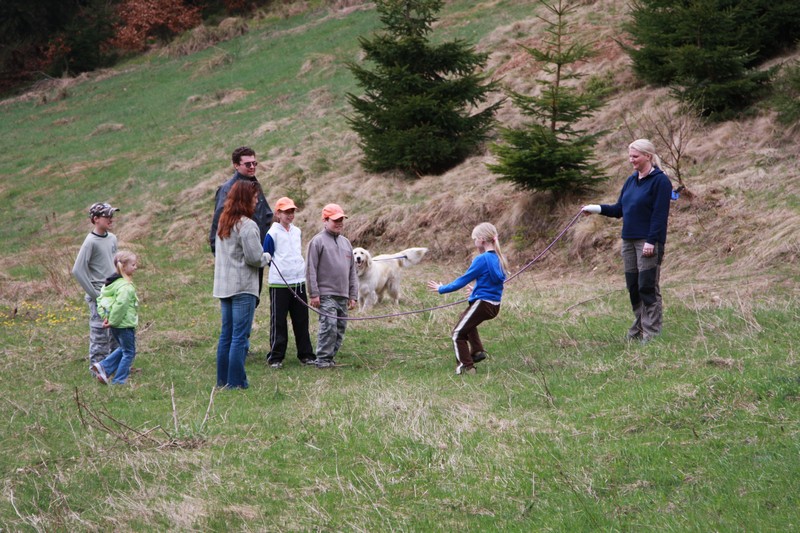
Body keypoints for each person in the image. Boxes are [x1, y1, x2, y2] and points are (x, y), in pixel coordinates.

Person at [582, 138, 672, 342]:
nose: (631, 160)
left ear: (647, 156)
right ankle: (638, 328)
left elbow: (659, 215)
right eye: (630, 156)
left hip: (648, 241)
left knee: (647, 285)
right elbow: (618, 210)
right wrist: (595, 208)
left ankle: (651, 333)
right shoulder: (631, 180)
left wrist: (651, 241)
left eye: (635, 156)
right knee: (633, 286)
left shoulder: (661, 181)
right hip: (628, 241)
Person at [427, 222, 509, 375]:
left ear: (482, 239)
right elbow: (495, 283)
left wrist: (441, 288)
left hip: (483, 304)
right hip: (494, 306)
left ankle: (466, 367)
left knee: (458, 334)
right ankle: (477, 352)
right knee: (464, 318)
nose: (474, 242)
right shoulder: (499, 257)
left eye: (474, 239)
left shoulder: (482, 259)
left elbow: (462, 281)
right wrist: (476, 289)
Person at [213, 180, 272, 389]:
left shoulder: (223, 222)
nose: (257, 201)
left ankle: (223, 381)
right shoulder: (247, 225)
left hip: (224, 286)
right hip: (242, 287)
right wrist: (267, 256)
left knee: (226, 335)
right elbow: (254, 257)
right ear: (246, 199)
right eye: (254, 197)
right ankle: (236, 383)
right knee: (239, 336)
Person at [209, 146, 273, 299]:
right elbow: (218, 224)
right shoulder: (228, 189)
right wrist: (219, 254)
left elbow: (266, 216)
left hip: (256, 251)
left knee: (252, 298)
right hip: (237, 257)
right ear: (236, 165)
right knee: (242, 299)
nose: (252, 167)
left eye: (254, 163)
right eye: (247, 164)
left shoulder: (255, 185)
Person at [262, 197, 315, 369]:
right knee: (279, 321)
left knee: (301, 320)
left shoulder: (297, 231)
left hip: (298, 282)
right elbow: (267, 256)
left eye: (292, 212)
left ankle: (306, 354)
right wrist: (281, 270)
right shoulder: (272, 233)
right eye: (286, 212)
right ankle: (276, 356)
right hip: (279, 285)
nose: (290, 215)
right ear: (278, 214)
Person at [305, 203, 358, 369]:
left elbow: (352, 271)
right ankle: (322, 359)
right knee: (329, 326)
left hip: (343, 295)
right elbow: (310, 269)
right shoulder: (317, 242)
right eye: (335, 220)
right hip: (325, 294)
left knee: (340, 328)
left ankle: (330, 358)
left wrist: (353, 295)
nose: (339, 223)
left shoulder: (346, 243)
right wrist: (314, 293)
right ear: (325, 220)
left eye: (341, 219)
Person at [72, 202, 120, 369]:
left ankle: (114, 368)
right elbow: (77, 270)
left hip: (116, 294)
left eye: (112, 215)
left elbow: (115, 264)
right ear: (96, 219)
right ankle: (97, 370)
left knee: (117, 333)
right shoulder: (90, 242)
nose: (111, 219)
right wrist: (95, 295)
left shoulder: (113, 238)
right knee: (100, 336)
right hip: (100, 297)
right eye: (107, 216)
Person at [91, 251, 140, 385]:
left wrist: (106, 318)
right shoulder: (126, 287)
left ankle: (104, 368)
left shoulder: (112, 283)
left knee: (124, 348)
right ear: (123, 267)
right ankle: (119, 380)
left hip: (115, 324)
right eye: (133, 264)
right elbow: (120, 306)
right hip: (123, 324)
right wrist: (112, 321)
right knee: (129, 352)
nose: (136, 267)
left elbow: (102, 300)